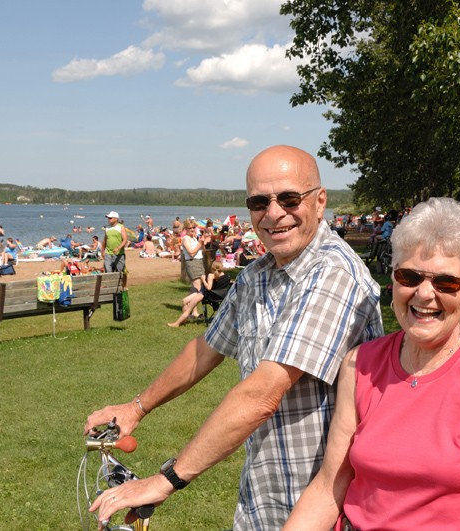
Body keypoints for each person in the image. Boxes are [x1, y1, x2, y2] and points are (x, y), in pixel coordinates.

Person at [85, 145, 384, 529]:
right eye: (259, 202)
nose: (274, 213)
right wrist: (136, 408)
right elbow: (206, 349)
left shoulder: (333, 274)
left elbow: (262, 395)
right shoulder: (257, 274)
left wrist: (166, 480)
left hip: (327, 507)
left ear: (320, 200)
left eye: (290, 198)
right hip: (265, 497)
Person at [284, 197, 460, 530]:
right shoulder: (360, 364)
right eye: (409, 276)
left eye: (446, 282)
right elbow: (329, 487)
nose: (424, 295)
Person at [167, 261, 231, 327]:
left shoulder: (211, 275)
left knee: (189, 308)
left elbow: (209, 288)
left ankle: (177, 323)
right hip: (217, 295)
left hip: (204, 294)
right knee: (184, 301)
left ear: (212, 268)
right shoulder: (226, 276)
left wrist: (203, 280)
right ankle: (184, 320)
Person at [180, 219, 205, 293]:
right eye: (190, 228)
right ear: (185, 229)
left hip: (199, 262)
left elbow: (201, 250)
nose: (192, 229)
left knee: (196, 287)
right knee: (197, 287)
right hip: (192, 263)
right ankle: (188, 303)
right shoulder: (186, 239)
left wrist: (202, 243)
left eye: (193, 227)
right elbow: (191, 253)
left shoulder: (194, 238)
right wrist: (199, 244)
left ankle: (190, 304)